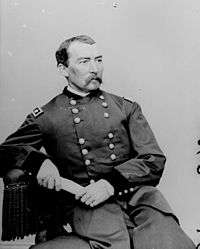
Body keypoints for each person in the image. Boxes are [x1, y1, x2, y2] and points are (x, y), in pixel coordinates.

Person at [0, 35, 195, 249]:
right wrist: (39, 162)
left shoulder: (125, 107)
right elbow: (6, 150)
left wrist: (110, 183)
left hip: (140, 198)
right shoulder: (48, 115)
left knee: (171, 243)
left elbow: (153, 159)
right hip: (87, 204)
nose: (95, 68)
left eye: (99, 60)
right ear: (63, 69)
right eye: (84, 61)